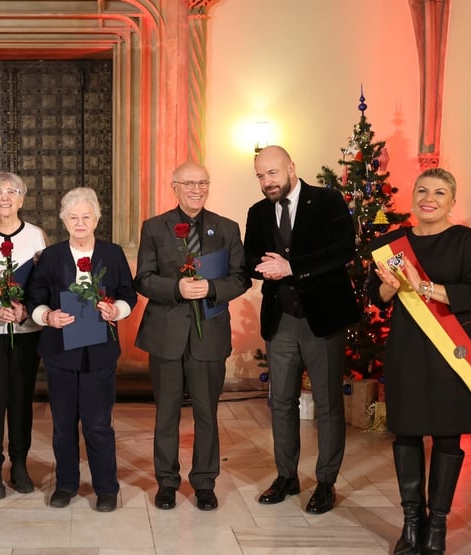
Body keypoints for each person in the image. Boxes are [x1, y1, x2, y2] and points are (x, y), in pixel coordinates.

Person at [368, 168, 471, 554]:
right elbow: (376, 298)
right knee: (405, 431)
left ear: (452, 201)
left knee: (446, 433)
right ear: (414, 197)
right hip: (406, 348)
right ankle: (412, 522)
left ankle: (436, 525)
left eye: (440, 192)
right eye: (422, 190)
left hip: (451, 353)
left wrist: (423, 287)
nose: (429, 198)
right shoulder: (394, 244)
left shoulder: (465, 241)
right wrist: (388, 287)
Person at [243, 145, 358, 514]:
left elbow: (343, 250)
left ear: (291, 167)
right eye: (261, 176)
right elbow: (250, 259)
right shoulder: (258, 212)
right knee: (280, 403)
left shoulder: (327, 201)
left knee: (326, 404)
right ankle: (287, 476)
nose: (267, 182)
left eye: (272, 173)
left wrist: (292, 267)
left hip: (323, 320)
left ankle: (325, 482)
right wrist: (265, 267)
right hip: (281, 322)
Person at [134, 161, 250, 511]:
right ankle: (167, 483)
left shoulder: (226, 228)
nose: (196, 189)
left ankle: (204, 482)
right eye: (189, 183)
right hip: (166, 335)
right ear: (175, 186)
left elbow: (241, 278)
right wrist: (177, 287)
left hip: (209, 336)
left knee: (206, 413)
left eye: (202, 182)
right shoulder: (154, 228)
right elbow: (143, 278)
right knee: (166, 414)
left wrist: (211, 287)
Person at [26, 187, 136, 513]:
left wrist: (117, 309)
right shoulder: (51, 257)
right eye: (73, 217)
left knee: (98, 424)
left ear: (97, 219)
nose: (80, 222)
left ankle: (106, 488)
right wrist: (46, 315)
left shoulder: (113, 254)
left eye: (86, 216)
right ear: (63, 220)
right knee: (63, 425)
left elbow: (129, 294)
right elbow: (34, 297)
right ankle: (66, 484)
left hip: (100, 352)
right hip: (60, 352)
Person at [0, 171, 48, 499]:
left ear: (22, 199)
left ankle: (19, 463)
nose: (5, 197)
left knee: (20, 400)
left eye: (12, 191)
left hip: (25, 332)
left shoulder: (35, 236)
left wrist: (26, 309)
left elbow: (43, 284)